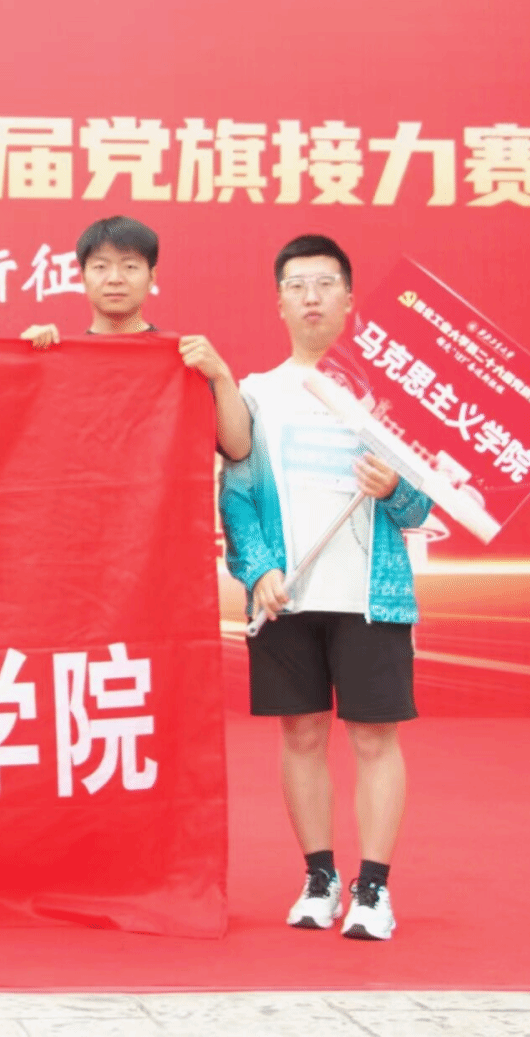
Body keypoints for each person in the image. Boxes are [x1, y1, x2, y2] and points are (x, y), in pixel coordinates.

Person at [219, 233, 432, 942]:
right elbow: (237, 494)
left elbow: (421, 506)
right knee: (301, 733)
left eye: (325, 284)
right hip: (288, 597)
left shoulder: (390, 394)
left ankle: (373, 888)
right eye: (297, 285)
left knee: (374, 737)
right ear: (279, 301)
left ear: (349, 299)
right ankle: (320, 877)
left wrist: (394, 486)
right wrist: (259, 570)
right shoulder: (257, 392)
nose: (311, 297)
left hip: (371, 597)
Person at [23, 215, 251, 459]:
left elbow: (238, 449)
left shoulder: (184, 359)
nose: (115, 279)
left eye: (130, 266)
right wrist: (27, 360)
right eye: (100, 267)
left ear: (152, 277)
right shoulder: (60, 363)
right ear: (83, 278)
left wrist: (221, 376)